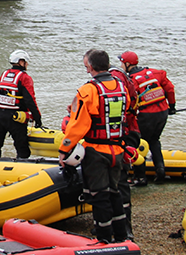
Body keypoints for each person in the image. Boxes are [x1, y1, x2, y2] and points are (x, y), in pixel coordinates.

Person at [58, 49, 130, 243]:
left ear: (90, 66)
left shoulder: (89, 90)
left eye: (86, 66)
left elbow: (78, 125)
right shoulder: (121, 86)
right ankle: (121, 235)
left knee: (99, 196)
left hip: (97, 151)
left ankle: (104, 238)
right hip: (117, 150)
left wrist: (64, 150)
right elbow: (125, 112)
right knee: (114, 193)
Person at [118, 50, 176, 185]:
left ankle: (140, 177)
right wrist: (172, 107)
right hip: (162, 113)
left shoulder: (130, 80)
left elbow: (129, 100)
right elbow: (170, 89)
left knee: (138, 143)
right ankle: (160, 171)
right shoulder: (156, 73)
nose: (121, 66)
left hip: (146, 116)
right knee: (154, 140)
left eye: (122, 63)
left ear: (127, 64)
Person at [0, 50, 42, 160]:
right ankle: (21, 169)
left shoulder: (4, 74)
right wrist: (37, 118)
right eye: (26, 62)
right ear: (21, 62)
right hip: (16, 118)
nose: (27, 65)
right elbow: (30, 100)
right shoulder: (24, 78)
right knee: (22, 148)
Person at [109, 58, 140, 239]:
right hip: (130, 133)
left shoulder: (112, 83)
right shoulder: (128, 81)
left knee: (116, 183)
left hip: (120, 137)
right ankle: (125, 228)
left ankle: (120, 230)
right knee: (122, 183)